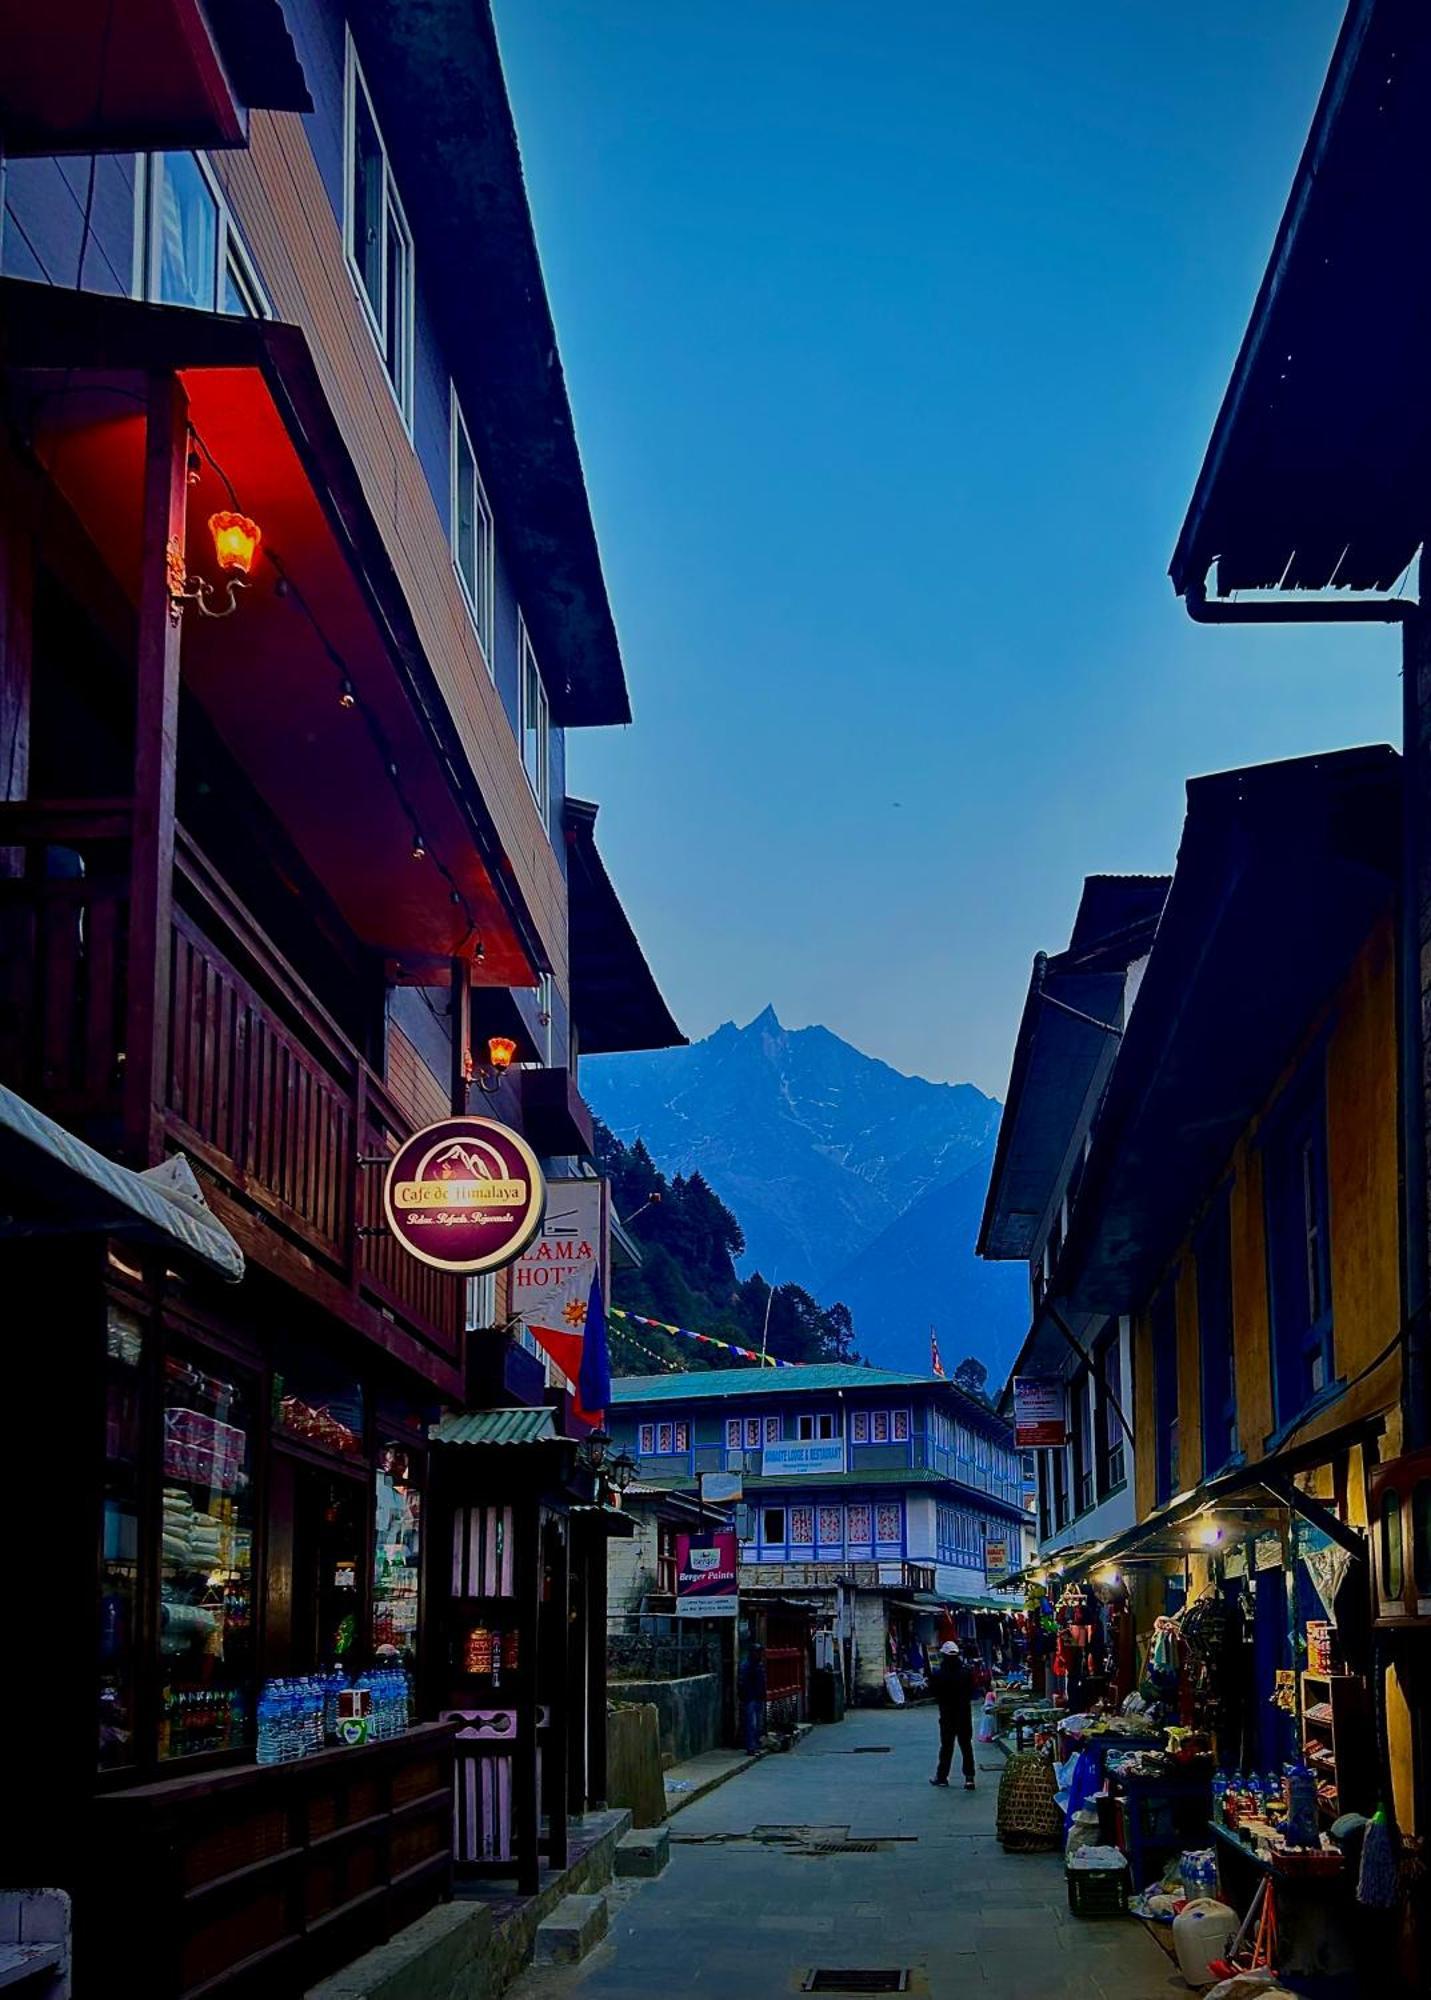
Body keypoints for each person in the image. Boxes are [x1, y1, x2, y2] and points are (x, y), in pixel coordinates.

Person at [929, 1640, 976, 1790]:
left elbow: (935, 1693)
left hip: (947, 1715)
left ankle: (942, 1777)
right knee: (966, 1746)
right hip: (964, 1715)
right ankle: (969, 1778)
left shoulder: (939, 1674)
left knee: (947, 1747)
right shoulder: (966, 1672)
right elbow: (972, 1692)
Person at [739, 1641, 767, 1755]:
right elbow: (742, 1683)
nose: (759, 1655)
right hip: (750, 1698)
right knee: (752, 1724)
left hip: (758, 1697)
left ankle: (755, 1745)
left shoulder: (759, 1665)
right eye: (758, 1652)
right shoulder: (746, 1666)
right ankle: (751, 1747)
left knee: (757, 1724)